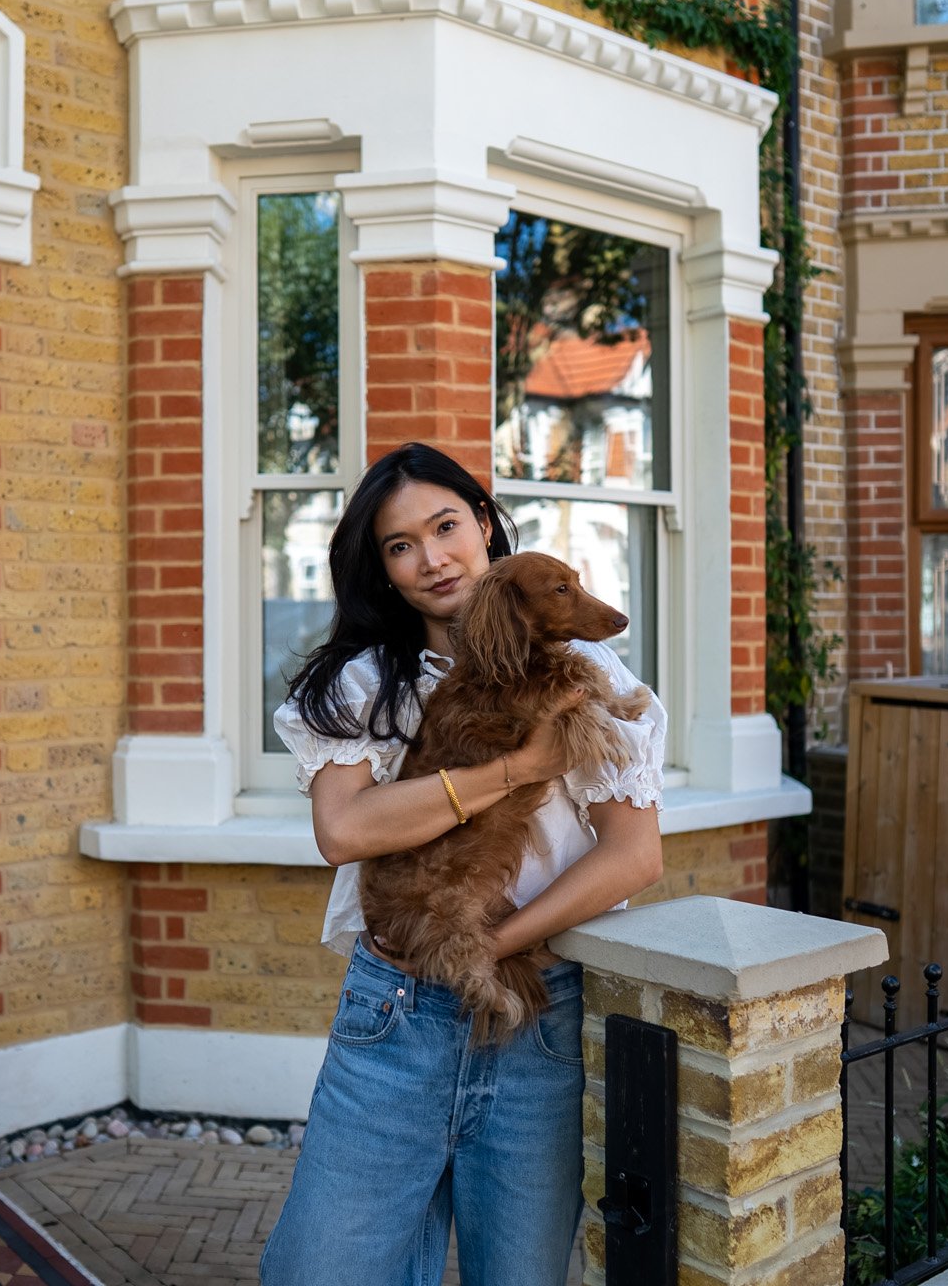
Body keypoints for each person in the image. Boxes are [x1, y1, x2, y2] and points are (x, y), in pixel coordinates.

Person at [258, 443, 666, 1286]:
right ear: (383, 568)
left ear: (483, 524)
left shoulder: (589, 675)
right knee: (321, 1271)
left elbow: (634, 857)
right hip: (395, 1011)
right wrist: (516, 768)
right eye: (400, 545)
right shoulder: (363, 683)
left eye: (446, 526)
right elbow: (345, 832)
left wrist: (498, 946)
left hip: (536, 1011)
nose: (431, 559)